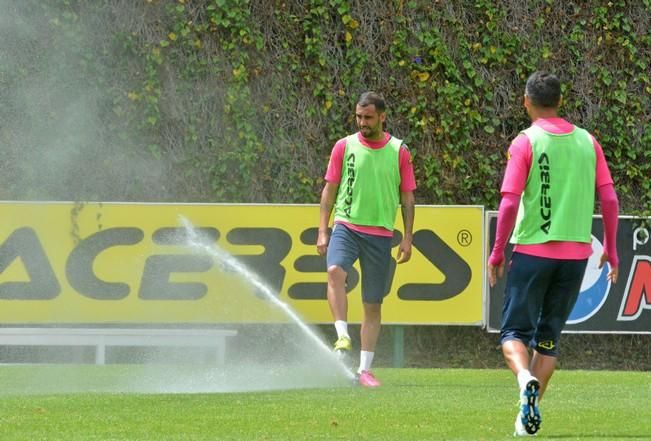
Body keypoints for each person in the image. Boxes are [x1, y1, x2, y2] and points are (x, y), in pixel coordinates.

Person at [487, 71, 619, 436]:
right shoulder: (588, 142)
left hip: (533, 252)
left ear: (526, 102)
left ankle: (524, 379)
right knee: (548, 340)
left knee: (513, 332)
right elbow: (608, 197)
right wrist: (611, 247)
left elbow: (510, 201)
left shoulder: (526, 141)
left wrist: (498, 251)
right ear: (560, 101)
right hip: (575, 256)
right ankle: (525, 419)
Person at [316, 91, 416, 387]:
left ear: (383, 116)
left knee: (372, 304)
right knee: (335, 271)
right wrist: (323, 229)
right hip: (346, 225)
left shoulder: (399, 150)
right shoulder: (343, 146)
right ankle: (343, 335)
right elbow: (329, 190)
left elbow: (407, 197)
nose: (363, 122)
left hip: (381, 234)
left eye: (368, 117)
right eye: (359, 117)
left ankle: (364, 370)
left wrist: (407, 237)